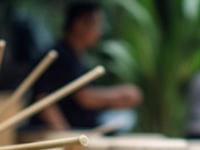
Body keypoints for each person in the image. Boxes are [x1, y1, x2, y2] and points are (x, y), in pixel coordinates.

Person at [29, 1, 142, 130]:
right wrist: (65, 136)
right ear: (79, 24)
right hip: (66, 130)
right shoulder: (57, 56)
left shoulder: (76, 57)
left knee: (125, 117)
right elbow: (44, 99)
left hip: (84, 127)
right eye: (97, 24)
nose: (100, 31)